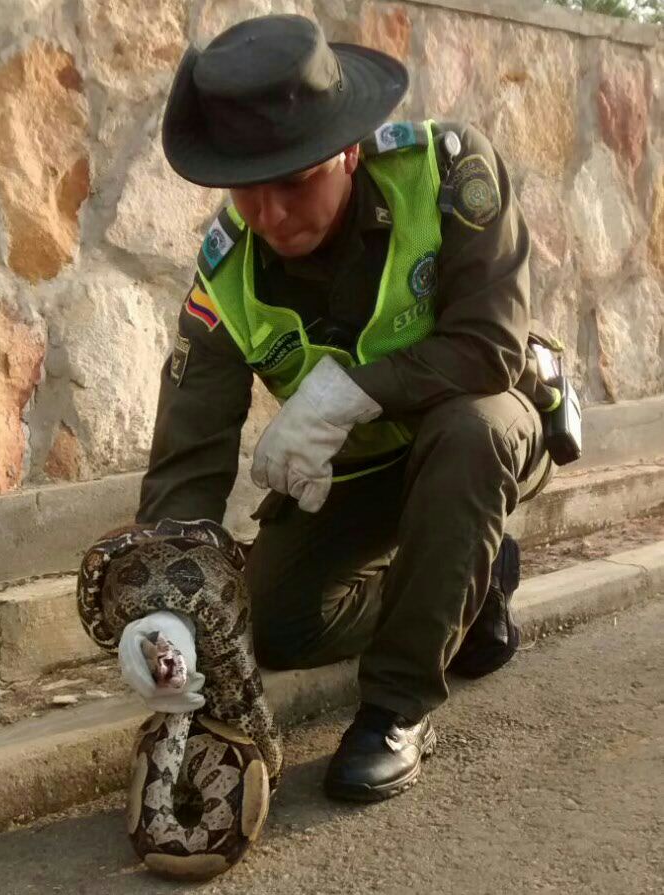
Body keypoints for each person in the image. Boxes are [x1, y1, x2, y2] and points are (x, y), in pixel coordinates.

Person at [136, 14, 558, 802]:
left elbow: (490, 345)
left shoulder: (446, 171)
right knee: (268, 624)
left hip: (480, 435)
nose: (269, 213)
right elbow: (189, 454)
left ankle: (396, 706)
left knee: (472, 428)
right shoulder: (224, 274)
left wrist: (347, 390)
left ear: (349, 148)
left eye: (294, 180)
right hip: (359, 474)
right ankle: (467, 585)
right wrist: (162, 606)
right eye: (245, 187)